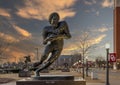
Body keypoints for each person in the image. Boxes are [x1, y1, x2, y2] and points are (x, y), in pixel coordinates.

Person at [34, 12, 71, 76]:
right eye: (53, 20)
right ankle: (40, 62)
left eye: (56, 20)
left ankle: (38, 71)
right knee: (45, 55)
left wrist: (58, 36)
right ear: (50, 21)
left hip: (59, 47)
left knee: (50, 61)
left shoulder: (63, 24)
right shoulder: (46, 29)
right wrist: (47, 39)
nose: (55, 22)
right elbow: (44, 42)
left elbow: (69, 36)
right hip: (51, 45)